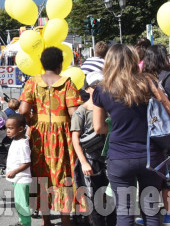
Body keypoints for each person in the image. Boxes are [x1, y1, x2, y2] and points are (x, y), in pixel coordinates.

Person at [92, 44, 167, 226]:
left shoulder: (102, 89)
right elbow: (169, 111)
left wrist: (116, 126)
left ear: (108, 62)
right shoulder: (148, 82)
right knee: (151, 213)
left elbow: (98, 127)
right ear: (134, 61)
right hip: (151, 155)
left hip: (120, 156)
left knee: (124, 215)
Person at [18, 47, 84, 226]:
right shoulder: (67, 83)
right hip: (62, 135)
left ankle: (46, 221)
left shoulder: (32, 82)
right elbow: (74, 113)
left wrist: (32, 120)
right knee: (63, 176)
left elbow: (23, 109)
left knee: (41, 174)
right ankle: (65, 221)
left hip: (39, 135)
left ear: (41, 64)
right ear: (60, 65)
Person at [70, 71, 115, 226]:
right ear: (88, 89)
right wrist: (83, 162)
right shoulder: (81, 112)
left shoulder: (111, 108)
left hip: (110, 159)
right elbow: (75, 139)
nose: (100, 89)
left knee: (111, 199)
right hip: (90, 159)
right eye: (96, 87)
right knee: (94, 200)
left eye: (103, 86)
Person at [141, 44, 170, 226]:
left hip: (151, 133)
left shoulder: (145, 80)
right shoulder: (168, 78)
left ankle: (159, 215)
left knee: (158, 175)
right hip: (167, 131)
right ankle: (169, 214)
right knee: (169, 175)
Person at [5, 113, 32, 226]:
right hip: (17, 179)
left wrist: (14, 171)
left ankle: (26, 223)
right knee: (19, 203)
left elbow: (26, 163)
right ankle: (22, 222)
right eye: (7, 128)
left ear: (21, 129)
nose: (7, 130)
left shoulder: (22, 144)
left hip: (21, 179)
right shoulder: (16, 140)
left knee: (22, 204)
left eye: (11, 128)